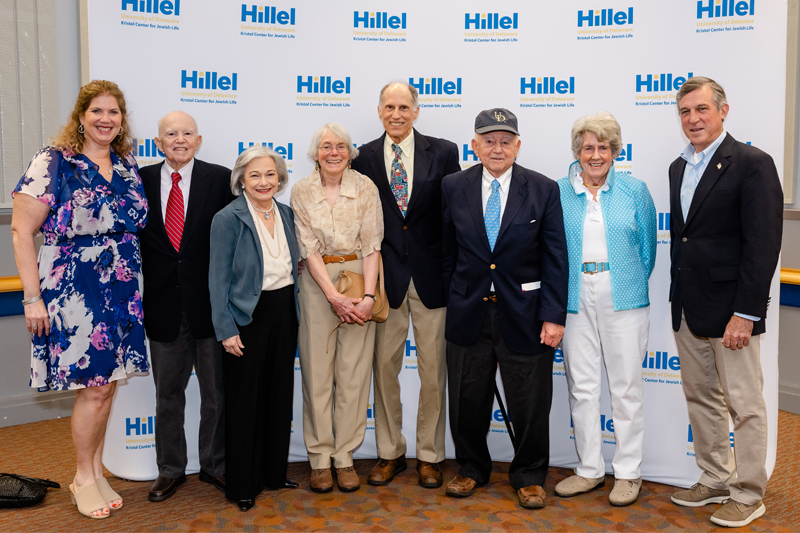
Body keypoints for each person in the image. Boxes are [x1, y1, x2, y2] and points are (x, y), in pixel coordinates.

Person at [10, 80, 148, 519]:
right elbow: (21, 231)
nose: (106, 119)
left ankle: (96, 470)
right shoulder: (52, 162)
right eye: (97, 112)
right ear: (81, 117)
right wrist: (32, 299)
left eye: (114, 112)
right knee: (93, 390)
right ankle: (82, 477)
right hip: (74, 289)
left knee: (105, 389)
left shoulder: (126, 163)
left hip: (122, 288)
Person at [667, 77, 782, 528]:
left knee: (745, 405)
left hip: (733, 310)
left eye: (701, 110)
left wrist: (746, 313)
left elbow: (763, 245)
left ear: (723, 110)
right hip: (689, 309)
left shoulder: (753, 163)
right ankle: (716, 476)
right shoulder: (679, 167)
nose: (693, 119)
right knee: (701, 398)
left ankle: (749, 493)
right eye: (684, 112)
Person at [441, 108, 568, 509]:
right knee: (467, 398)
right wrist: (456, 293)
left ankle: (530, 475)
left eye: (505, 141)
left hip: (526, 313)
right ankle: (471, 468)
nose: (497, 148)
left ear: (518, 145)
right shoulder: (452, 186)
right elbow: (446, 250)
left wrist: (553, 315)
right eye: (489, 140)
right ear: (474, 145)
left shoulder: (544, 189)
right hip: (468, 312)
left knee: (530, 401)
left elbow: (556, 257)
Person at [351, 81, 460, 489]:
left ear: (416, 110)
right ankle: (390, 452)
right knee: (384, 369)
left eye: (404, 107)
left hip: (433, 279)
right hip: (384, 279)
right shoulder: (361, 157)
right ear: (379, 110)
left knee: (434, 372)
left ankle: (429, 456)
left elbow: (455, 216)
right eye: (389, 106)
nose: (396, 114)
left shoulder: (445, 151)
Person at [554, 112, 656, 506]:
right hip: (574, 296)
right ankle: (589, 469)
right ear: (578, 151)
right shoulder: (559, 191)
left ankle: (628, 472)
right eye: (588, 147)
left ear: (615, 151)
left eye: (603, 147)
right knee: (582, 387)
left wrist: (624, 280)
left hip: (624, 295)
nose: (595, 155)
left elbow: (647, 251)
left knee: (626, 387)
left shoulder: (635, 191)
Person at [139, 111, 233, 502]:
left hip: (210, 307)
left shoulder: (221, 179)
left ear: (198, 140)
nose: (179, 139)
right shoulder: (138, 181)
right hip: (161, 306)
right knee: (168, 396)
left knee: (216, 394)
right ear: (158, 142)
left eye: (186, 133)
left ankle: (215, 465)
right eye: (170, 134)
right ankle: (170, 469)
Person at [290, 123, 384, 493]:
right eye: (326, 146)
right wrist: (332, 296)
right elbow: (308, 248)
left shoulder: (365, 187)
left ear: (349, 153)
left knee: (353, 375)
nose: (334, 152)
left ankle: (344, 456)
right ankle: (319, 458)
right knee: (316, 375)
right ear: (316, 153)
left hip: (361, 280)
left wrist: (368, 298)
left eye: (341, 146)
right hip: (317, 286)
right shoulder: (301, 190)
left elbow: (372, 246)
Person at [209, 146, 300, 512]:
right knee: (245, 402)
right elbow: (217, 279)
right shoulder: (227, 218)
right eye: (255, 175)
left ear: (279, 178)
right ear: (241, 180)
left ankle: (274, 474)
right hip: (246, 316)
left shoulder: (288, 213)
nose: (264, 182)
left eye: (270, 175)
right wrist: (225, 328)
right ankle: (243, 485)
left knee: (279, 395)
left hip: (283, 311)